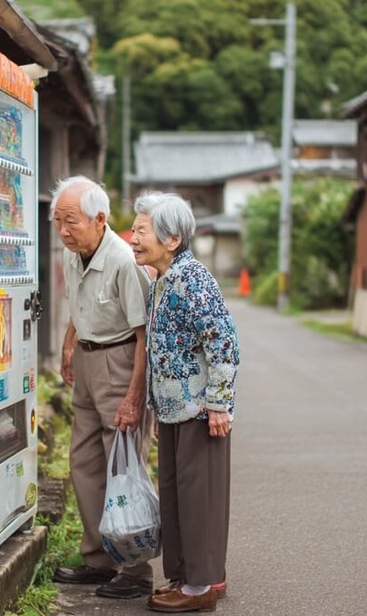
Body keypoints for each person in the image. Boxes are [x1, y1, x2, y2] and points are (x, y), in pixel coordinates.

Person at [129, 192, 239, 613]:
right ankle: (191, 577)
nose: (134, 238)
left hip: (199, 412)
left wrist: (219, 405)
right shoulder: (162, 280)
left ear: (172, 239)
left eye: (142, 231)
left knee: (199, 499)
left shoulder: (194, 280)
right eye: (136, 230)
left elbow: (224, 344)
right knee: (177, 496)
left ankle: (200, 588)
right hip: (175, 410)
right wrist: (158, 408)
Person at [49, 176, 155, 599]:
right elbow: (78, 303)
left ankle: (136, 570)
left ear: (100, 218)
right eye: (58, 222)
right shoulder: (74, 252)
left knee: (124, 466)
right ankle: (99, 559)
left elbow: (145, 334)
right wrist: (68, 343)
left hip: (120, 361)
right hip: (89, 360)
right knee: (84, 462)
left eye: (70, 221)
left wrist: (133, 397)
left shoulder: (124, 261)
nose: (63, 231)